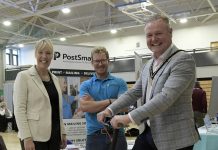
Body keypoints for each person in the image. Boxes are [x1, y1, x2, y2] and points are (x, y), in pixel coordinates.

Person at [97, 14, 200, 150]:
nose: (154, 39)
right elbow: (134, 92)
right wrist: (110, 109)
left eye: (158, 33)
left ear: (170, 33)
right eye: (149, 35)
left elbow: (165, 98)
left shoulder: (183, 60)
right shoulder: (148, 65)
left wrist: (128, 118)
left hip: (175, 138)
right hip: (149, 132)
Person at [13, 38, 67, 150]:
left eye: (48, 53)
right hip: (34, 137)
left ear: (52, 56)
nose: (44, 56)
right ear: (35, 54)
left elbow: (58, 110)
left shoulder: (55, 79)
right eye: (41, 52)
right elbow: (19, 110)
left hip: (55, 136)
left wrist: (63, 132)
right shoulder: (24, 76)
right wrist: (26, 137)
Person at [79, 46, 128, 150]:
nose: (100, 64)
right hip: (94, 136)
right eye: (97, 61)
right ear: (92, 63)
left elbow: (124, 106)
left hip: (117, 134)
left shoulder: (120, 82)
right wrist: (111, 101)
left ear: (108, 61)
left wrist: (94, 104)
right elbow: (84, 107)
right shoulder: (85, 85)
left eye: (103, 60)